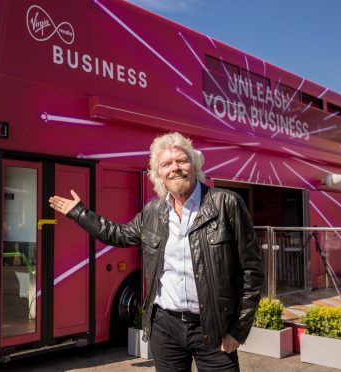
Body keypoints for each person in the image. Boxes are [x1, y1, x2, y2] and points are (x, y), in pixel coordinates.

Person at [49, 132, 263, 371]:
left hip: (214, 328)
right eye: (166, 164)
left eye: (181, 160)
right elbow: (118, 234)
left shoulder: (226, 203)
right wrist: (80, 213)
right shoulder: (153, 212)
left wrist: (238, 330)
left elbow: (252, 271)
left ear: (193, 165)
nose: (175, 168)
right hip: (166, 327)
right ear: (158, 173)